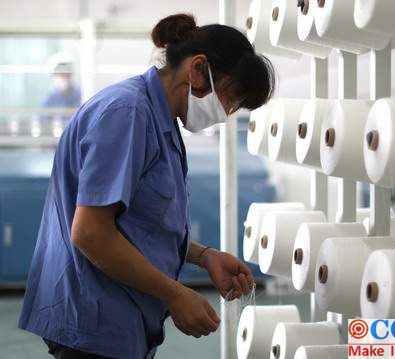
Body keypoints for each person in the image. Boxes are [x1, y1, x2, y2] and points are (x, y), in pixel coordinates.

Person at [19, 13, 275, 359]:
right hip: (94, 321)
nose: (226, 111)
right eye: (229, 98)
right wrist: (175, 294)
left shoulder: (162, 121)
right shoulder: (127, 113)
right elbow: (91, 233)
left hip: (121, 318)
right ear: (198, 70)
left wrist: (204, 256)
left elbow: (141, 223)